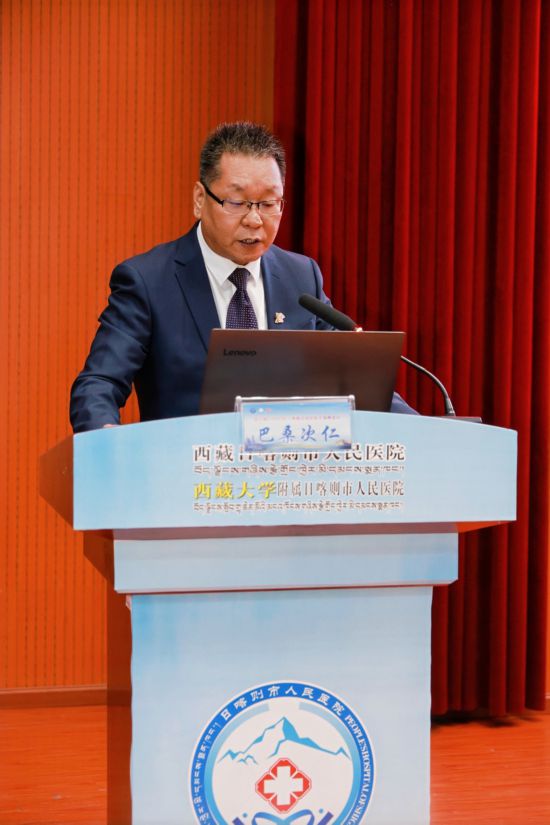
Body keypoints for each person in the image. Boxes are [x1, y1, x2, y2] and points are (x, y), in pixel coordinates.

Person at [70, 122, 414, 433]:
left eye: (269, 203)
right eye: (237, 202)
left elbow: (354, 376)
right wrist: (104, 441)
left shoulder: (300, 277)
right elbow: (99, 383)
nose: (254, 220)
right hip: (186, 474)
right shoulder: (148, 281)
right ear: (200, 199)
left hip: (286, 475)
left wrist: (426, 431)